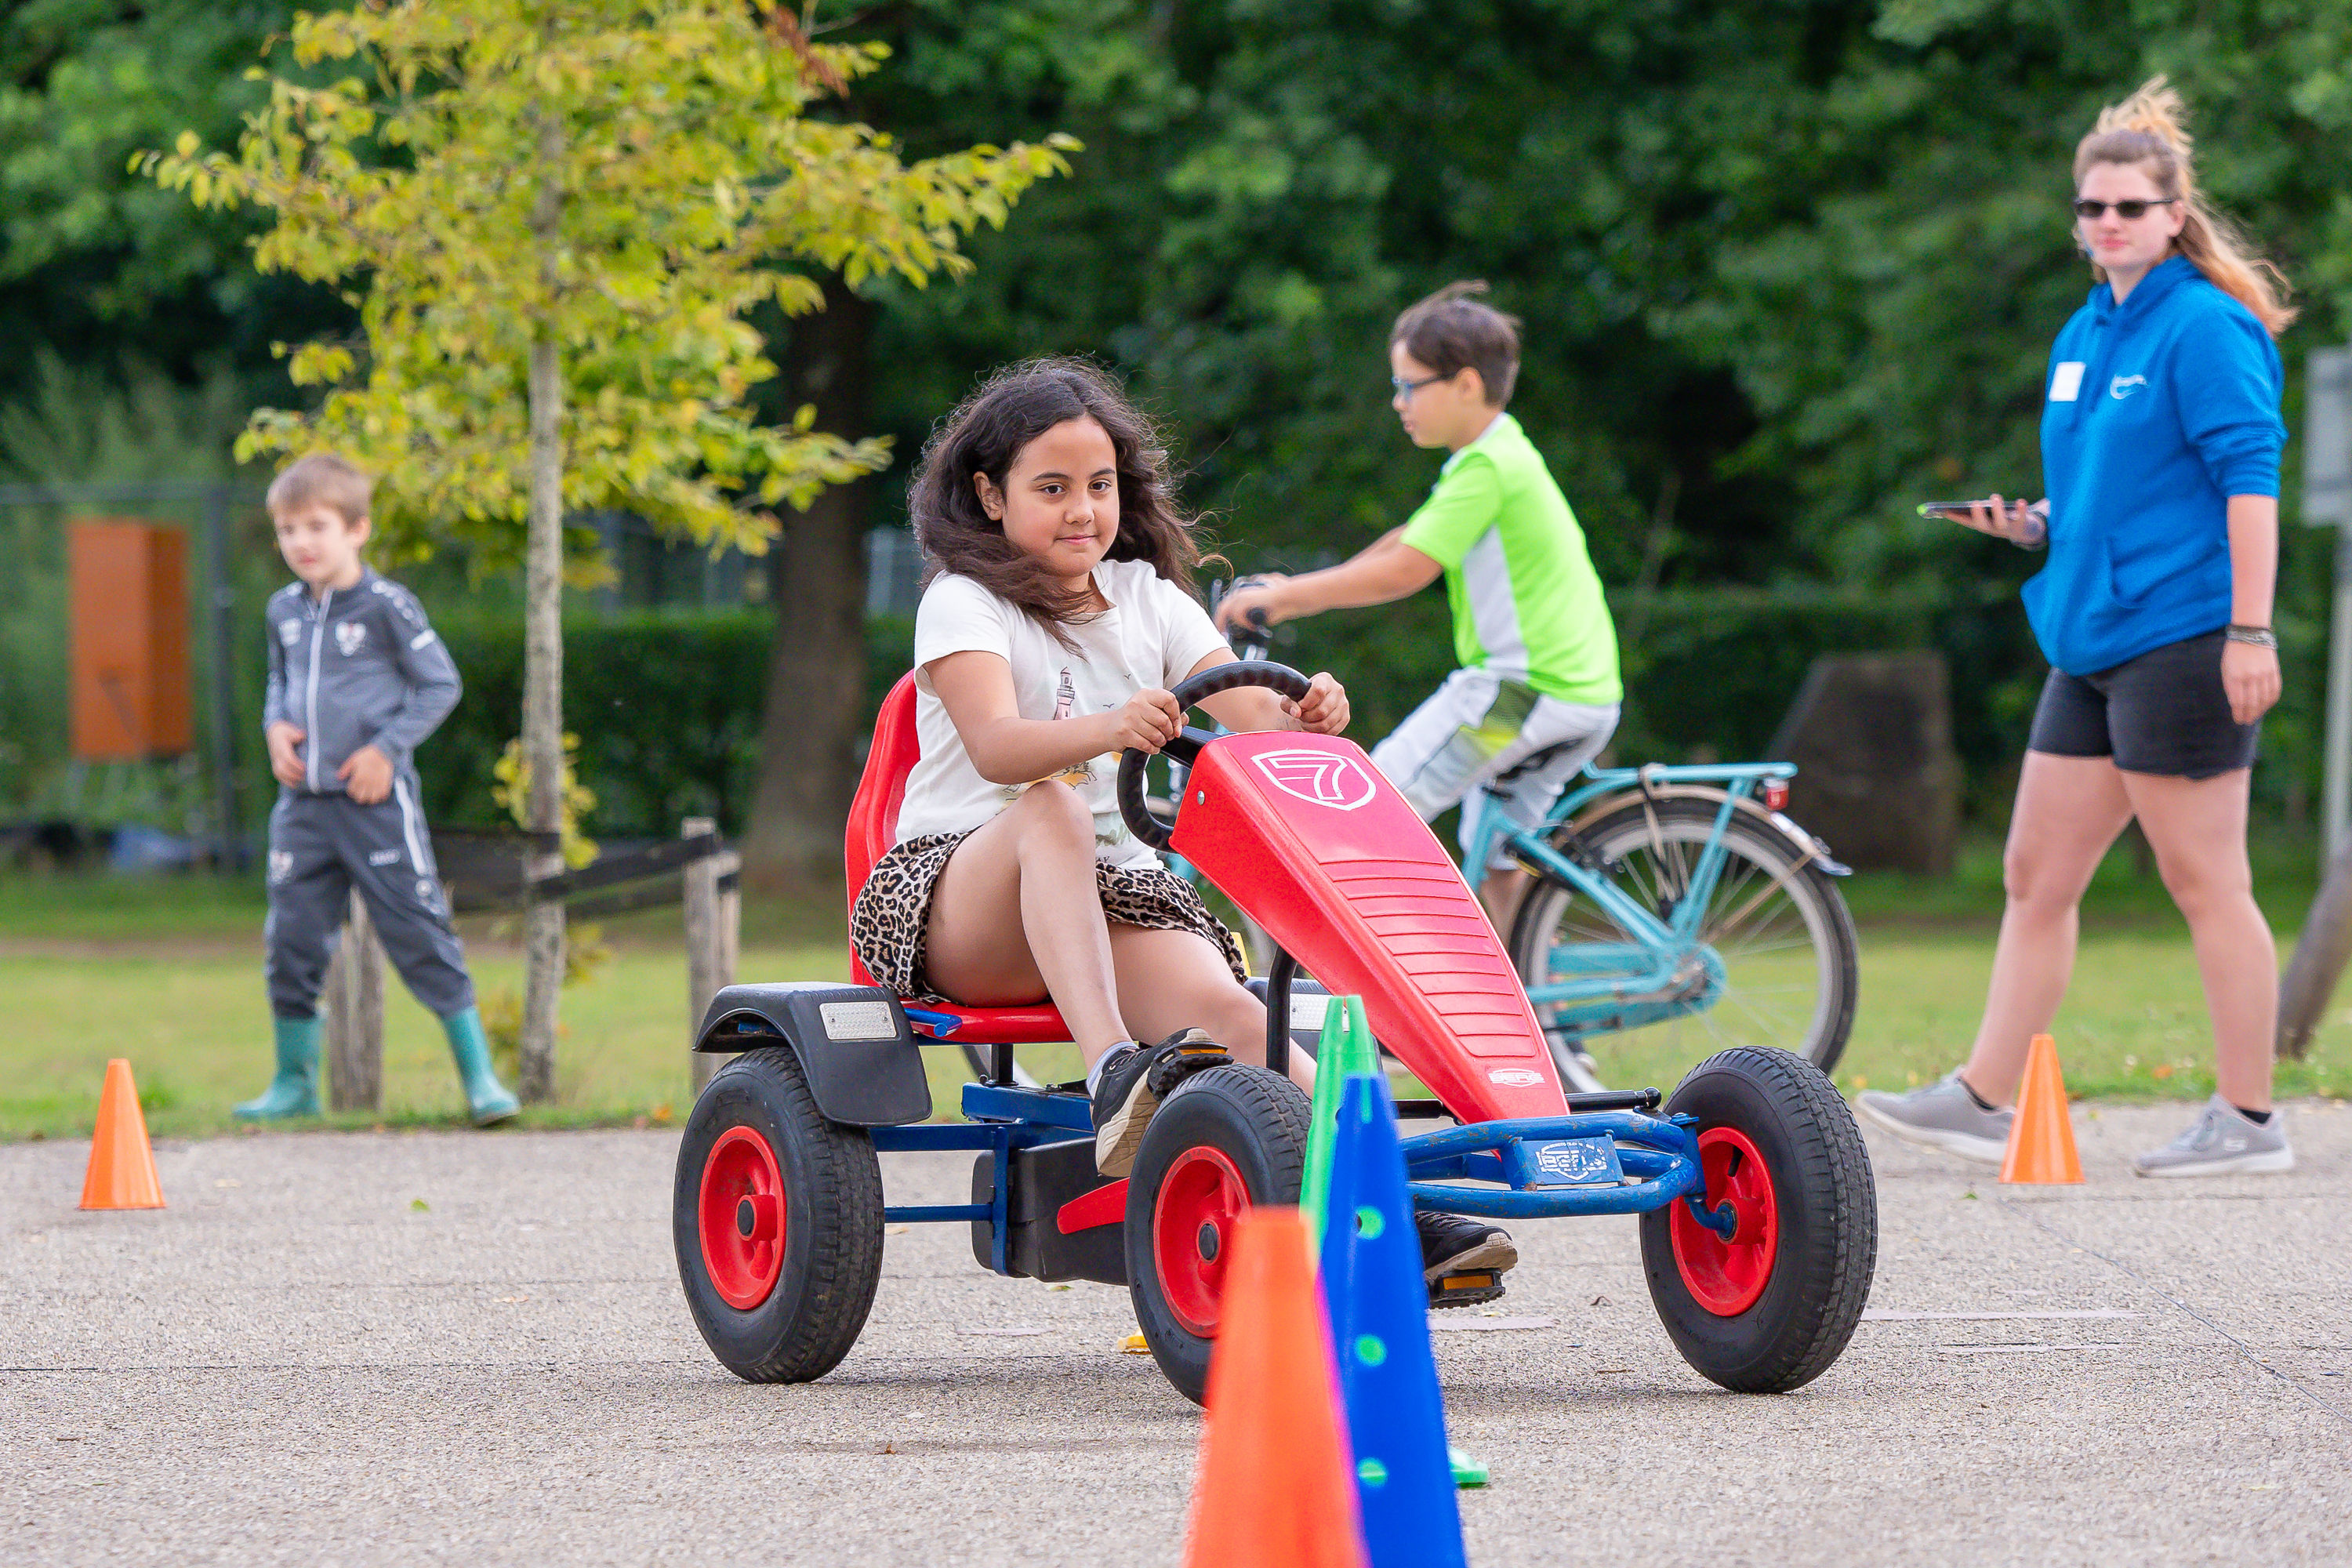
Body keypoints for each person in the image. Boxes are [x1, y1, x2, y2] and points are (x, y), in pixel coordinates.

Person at [851, 358, 1515, 1295]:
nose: (1082, 509)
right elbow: (1000, 749)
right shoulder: (963, 600)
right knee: (1049, 802)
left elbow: (1252, 718)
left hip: (1106, 895)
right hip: (963, 899)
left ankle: (1386, 1209)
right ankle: (1111, 1070)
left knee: (1246, 1019)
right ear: (990, 495)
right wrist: (1111, 727)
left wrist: (1309, 709)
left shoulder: (1149, 599)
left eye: (1099, 485)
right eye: (1052, 488)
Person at [1859, 78, 2293, 1178]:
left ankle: (2248, 1122)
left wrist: (2253, 633)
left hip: (2186, 636)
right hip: (2088, 640)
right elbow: (2117, 487)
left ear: (2175, 212)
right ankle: (1982, 1098)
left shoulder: (2204, 325)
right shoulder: (2086, 328)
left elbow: (2249, 484)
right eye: (2092, 208)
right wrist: (2034, 524)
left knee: (2207, 883)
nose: (2109, 223)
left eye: (2131, 208)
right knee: (2034, 873)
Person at [1214, 282, 1622, 933]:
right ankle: (1543, 1017)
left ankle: (1358, 993)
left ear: (1464, 384)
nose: (1398, 402)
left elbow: (1405, 571)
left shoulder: (1487, 466)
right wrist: (1289, 585)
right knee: (1496, 861)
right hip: (1580, 694)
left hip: (1521, 692)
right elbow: (1411, 537)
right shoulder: (1496, 455)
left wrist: (1283, 600)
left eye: (1410, 386)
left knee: (1368, 813)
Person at [238, 452, 519, 1127]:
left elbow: (439, 684)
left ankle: (482, 1083)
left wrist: (385, 751)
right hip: (303, 811)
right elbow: (280, 681)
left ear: (357, 530)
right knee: (292, 943)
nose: (301, 543)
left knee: (421, 935)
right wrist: (275, 727)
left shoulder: (389, 606)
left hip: (374, 809)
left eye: (317, 526)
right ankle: (293, 1085)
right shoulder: (282, 610)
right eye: (288, 530)